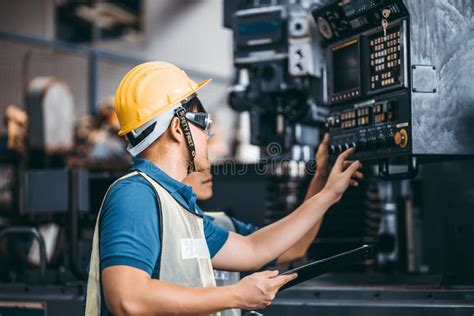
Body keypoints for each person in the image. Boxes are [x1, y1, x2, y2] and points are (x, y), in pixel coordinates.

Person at [85, 61, 363, 315]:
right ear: (177, 129)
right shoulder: (135, 195)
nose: (209, 133)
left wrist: (328, 194)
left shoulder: (180, 208)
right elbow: (127, 298)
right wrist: (236, 295)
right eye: (203, 123)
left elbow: (253, 249)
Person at [182, 133, 357, 266]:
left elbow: (293, 247)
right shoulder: (179, 228)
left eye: (207, 158)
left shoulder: (223, 225)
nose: (207, 167)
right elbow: (253, 250)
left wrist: (321, 177)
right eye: (197, 161)